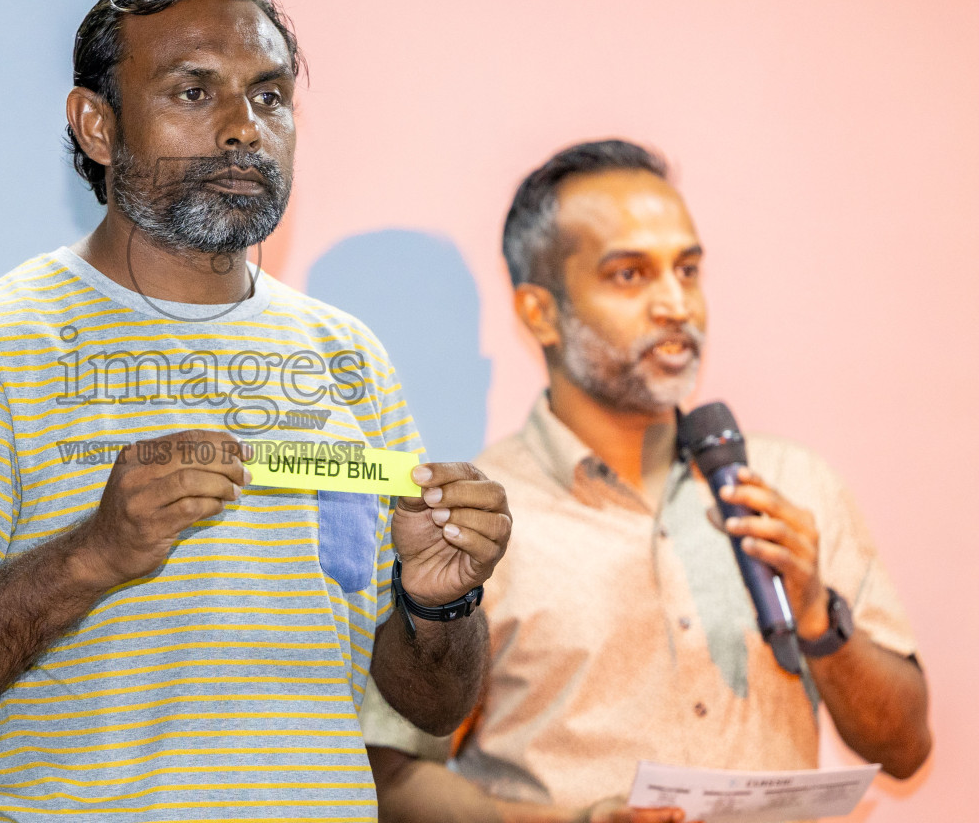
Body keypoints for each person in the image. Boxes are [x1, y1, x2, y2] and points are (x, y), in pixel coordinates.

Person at [0, 0, 513, 822]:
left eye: (269, 97)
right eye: (194, 93)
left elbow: (432, 702)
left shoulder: (348, 357)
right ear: (96, 125)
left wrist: (439, 595)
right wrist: (94, 553)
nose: (242, 129)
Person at [362, 140, 931, 823]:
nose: (676, 305)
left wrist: (819, 617)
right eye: (630, 275)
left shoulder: (790, 485)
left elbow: (905, 749)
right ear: (539, 312)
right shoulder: (472, 524)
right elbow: (391, 780)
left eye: (687, 270)